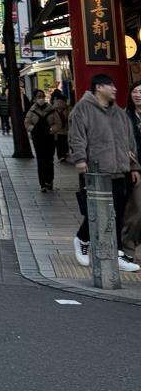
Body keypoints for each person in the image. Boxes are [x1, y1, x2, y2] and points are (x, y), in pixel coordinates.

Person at [68, 73, 141, 272]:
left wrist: (134, 167)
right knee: (97, 211)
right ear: (99, 87)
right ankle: (82, 239)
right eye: (111, 86)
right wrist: (80, 160)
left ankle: (116, 253)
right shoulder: (82, 109)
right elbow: (76, 136)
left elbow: (130, 142)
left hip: (119, 171)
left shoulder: (118, 113)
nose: (115, 89)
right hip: (96, 171)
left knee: (117, 213)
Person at [24, 88, 61, 191]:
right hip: (38, 138)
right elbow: (27, 123)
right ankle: (42, 184)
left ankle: (49, 180)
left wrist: (51, 130)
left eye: (42, 96)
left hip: (49, 138)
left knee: (49, 160)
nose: (41, 98)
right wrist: (33, 129)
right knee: (40, 160)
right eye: (39, 96)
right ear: (34, 98)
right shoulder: (32, 111)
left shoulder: (51, 109)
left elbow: (58, 123)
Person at [121, 82, 141, 262]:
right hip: (136, 170)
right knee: (136, 211)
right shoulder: (125, 116)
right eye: (135, 91)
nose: (138, 95)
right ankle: (128, 248)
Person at [50, 89, 70, 162]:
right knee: (64, 141)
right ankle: (64, 153)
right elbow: (69, 117)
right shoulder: (66, 107)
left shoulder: (53, 107)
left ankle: (60, 155)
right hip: (65, 128)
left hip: (57, 129)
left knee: (58, 143)